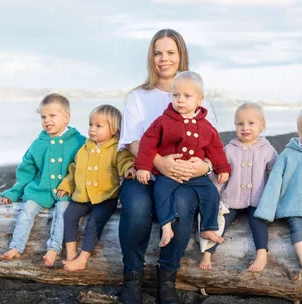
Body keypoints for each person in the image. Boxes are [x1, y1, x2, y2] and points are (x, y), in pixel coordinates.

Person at [118, 28, 218, 304]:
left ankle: (167, 280)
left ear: (181, 55)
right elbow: (131, 141)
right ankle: (132, 278)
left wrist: (204, 168)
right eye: (158, 53)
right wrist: (159, 162)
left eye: (170, 52)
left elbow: (213, 145)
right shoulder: (137, 96)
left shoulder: (199, 98)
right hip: (146, 171)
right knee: (136, 208)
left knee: (183, 208)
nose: (164, 59)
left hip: (185, 177)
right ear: (151, 57)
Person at [135, 71, 230, 248]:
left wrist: (222, 168)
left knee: (210, 193)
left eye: (187, 96)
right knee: (161, 192)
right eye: (175, 95)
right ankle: (166, 226)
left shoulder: (205, 126)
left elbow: (214, 148)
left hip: (196, 175)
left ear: (199, 100)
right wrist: (144, 166)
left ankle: (208, 227)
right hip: (168, 173)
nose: (180, 100)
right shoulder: (163, 121)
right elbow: (148, 142)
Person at [0, 93, 85, 267]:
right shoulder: (38, 143)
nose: (47, 120)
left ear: (66, 118)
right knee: (26, 211)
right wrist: (15, 191)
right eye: (43, 117)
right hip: (41, 190)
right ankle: (16, 246)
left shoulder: (79, 141)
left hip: (66, 192)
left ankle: (53, 249)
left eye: (53, 115)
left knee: (62, 213)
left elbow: (84, 168)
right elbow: (27, 170)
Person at [199, 102, 277, 272]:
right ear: (234, 125)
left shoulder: (267, 149)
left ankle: (261, 254)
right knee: (219, 223)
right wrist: (216, 199)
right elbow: (219, 175)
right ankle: (207, 252)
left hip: (257, 199)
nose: (245, 128)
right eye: (240, 124)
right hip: (231, 198)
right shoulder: (229, 149)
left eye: (251, 123)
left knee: (259, 222)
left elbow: (275, 174)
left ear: (262, 125)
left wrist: (272, 200)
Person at [57, 105, 136, 272]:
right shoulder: (84, 149)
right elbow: (74, 169)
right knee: (69, 215)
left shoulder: (117, 148)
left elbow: (124, 161)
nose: (92, 130)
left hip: (105, 198)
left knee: (93, 223)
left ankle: (83, 258)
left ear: (114, 129)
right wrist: (66, 185)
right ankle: (71, 253)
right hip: (82, 196)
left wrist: (129, 169)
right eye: (90, 124)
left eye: (98, 126)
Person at [254, 106, 302, 280]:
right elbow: (274, 182)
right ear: (298, 132)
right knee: (298, 230)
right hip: (293, 205)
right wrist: (266, 211)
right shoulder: (288, 154)